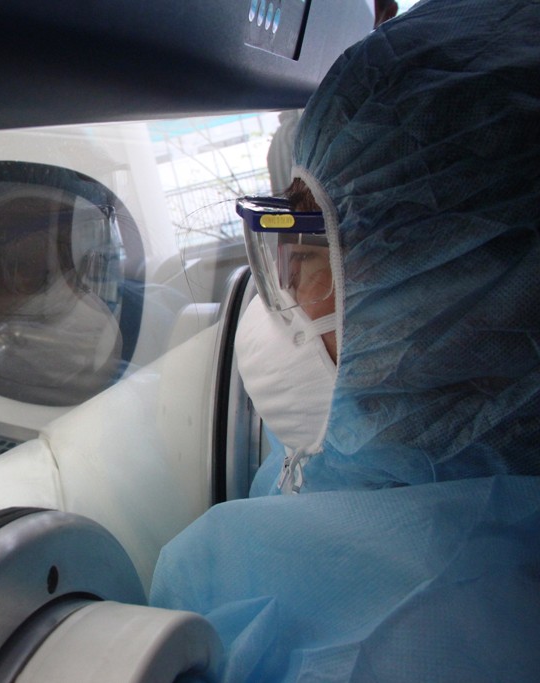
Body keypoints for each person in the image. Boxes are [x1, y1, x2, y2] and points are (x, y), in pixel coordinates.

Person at [151, 0, 540, 680]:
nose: (282, 296)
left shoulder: (417, 640)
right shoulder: (397, 468)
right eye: (281, 253)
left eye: (308, 256)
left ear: (457, 304)